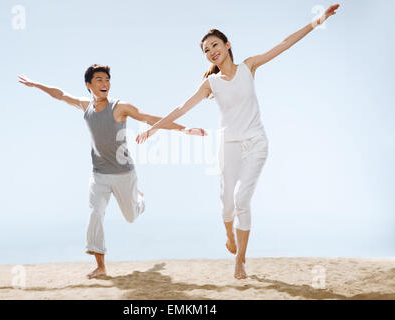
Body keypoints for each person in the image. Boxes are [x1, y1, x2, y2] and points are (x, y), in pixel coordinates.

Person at [136, 4, 340, 279]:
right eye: (206, 50)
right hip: (228, 144)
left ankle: (240, 260)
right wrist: (154, 130)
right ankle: (228, 233)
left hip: (256, 142)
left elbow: (284, 44)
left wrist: (318, 21)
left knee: (243, 199)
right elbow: (182, 108)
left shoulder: (249, 66)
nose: (211, 51)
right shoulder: (212, 84)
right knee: (227, 203)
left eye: (215, 45)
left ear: (227, 44)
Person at [18, 64, 206, 279]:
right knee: (95, 213)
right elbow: (59, 95)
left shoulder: (119, 107)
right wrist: (35, 84)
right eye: (98, 79)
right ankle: (100, 266)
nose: (104, 83)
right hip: (98, 174)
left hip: (124, 174)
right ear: (88, 85)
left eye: (107, 79)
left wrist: (183, 129)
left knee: (131, 216)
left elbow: (149, 118)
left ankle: (139, 198)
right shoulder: (85, 106)